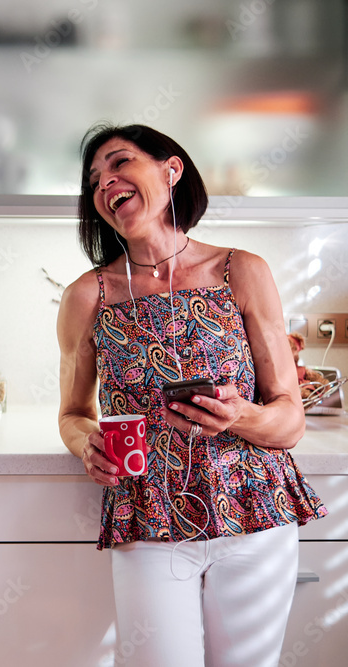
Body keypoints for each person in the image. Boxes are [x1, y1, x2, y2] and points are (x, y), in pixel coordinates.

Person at [56, 123, 327, 666]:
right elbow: (73, 412)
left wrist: (238, 415)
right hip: (149, 516)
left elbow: (289, 419)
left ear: (170, 169)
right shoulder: (88, 295)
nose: (106, 183)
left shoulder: (241, 272)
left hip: (253, 510)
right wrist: (87, 443)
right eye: (94, 180)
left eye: (119, 163)